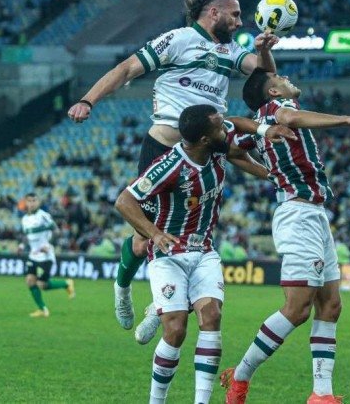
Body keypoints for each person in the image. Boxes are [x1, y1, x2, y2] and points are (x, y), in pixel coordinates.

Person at [66, 0, 280, 334]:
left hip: (207, 150)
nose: (240, 21)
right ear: (213, 12)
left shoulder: (231, 51)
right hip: (163, 147)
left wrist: (264, 49)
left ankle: (162, 303)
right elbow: (125, 70)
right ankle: (122, 288)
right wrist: (89, 100)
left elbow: (266, 82)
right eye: (235, 14)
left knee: (190, 233)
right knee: (142, 238)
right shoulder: (177, 41)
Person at [219, 68, 350, 404]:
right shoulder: (274, 112)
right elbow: (288, 114)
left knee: (331, 304)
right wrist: (348, 120)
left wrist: (271, 173)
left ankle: (320, 394)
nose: (287, 79)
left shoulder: (262, 122)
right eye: (279, 79)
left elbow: (235, 151)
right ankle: (240, 376)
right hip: (298, 215)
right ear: (271, 93)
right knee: (297, 309)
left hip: (314, 213)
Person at [115, 105, 269, 404]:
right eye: (217, 127)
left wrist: (273, 171)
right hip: (169, 255)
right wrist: (154, 233)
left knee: (211, 316)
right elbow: (124, 201)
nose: (224, 130)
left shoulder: (218, 147)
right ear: (203, 140)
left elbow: (237, 138)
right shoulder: (169, 166)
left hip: (204, 252)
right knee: (175, 329)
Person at [21, 192, 75, 318]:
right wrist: (22, 246)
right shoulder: (24, 219)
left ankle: (66, 283)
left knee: (42, 285)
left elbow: (56, 231)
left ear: (38, 202)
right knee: (30, 280)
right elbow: (26, 235)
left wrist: (48, 244)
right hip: (33, 255)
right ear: (26, 202)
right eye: (29, 200)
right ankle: (43, 310)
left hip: (46, 255)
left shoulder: (43, 216)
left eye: (34, 200)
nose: (32, 203)